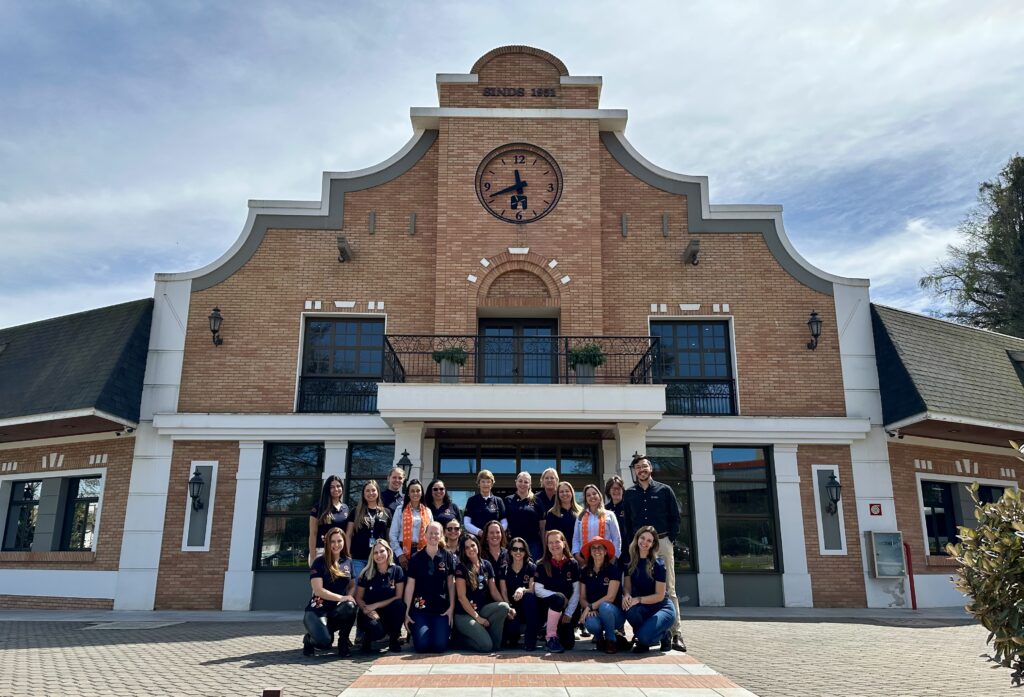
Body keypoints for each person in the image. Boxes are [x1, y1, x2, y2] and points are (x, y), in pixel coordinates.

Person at [623, 454, 686, 652]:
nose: (641, 470)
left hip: (662, 542)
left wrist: (669, 540)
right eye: (637, 468)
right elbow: (627, 523)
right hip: (638, 545)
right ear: (635, 472)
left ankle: (676, 633)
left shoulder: (665, 490)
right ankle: (652, 630)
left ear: (650, 468)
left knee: (669, 588)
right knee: (640, 586)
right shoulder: (630, 493)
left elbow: (675, 517)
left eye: (644, 466)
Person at [302, 527, 357, 657]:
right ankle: (309, 639)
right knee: (324, 642)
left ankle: (343, 642)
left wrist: (349, 596)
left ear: (344, 542)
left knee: (350, 606)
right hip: (317, 611)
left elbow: (353, 585)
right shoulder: (319, 562)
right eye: (332, 541)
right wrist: (341, 598)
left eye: (339, 541)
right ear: (327, 543)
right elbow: (318, 590)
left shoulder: (348, 561)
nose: (336, 545)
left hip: (334, 610)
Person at [622, 525, 677, 654]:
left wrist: (638, 599)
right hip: (643, 606)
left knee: (644, 637)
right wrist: (627, 595)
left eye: (649, 541)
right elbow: (627, 587)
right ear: (637, 538)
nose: (645, 542)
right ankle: (645, 636)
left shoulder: (658, 564)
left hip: (661, 607)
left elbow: (659, 595)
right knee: (628, 608)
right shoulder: (629, 561)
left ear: (653, 544)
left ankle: (664, 635)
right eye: (643, 538)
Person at [403, 522, 456, 653]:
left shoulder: (447, 556)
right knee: (422, 647)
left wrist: (451, 608)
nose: (433, 535)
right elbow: (410, 586)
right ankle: (419, 634)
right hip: (421, 610)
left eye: (436, 533)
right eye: (430, 533)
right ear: (425, 535)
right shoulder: (416, 558)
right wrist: (406, 612)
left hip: (441, 610)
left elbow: (451, 583)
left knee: (439, 647)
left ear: (441, 535)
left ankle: (437, 632)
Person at [453, 535, 512, 652]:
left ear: (477, 546)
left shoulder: (486, 565)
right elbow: (461, 597)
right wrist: (478, 618)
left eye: (473, 545)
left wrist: (509, 608)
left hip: (482, 609)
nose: (471, 549)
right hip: (464, 614)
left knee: (503, 607)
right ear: (463, 551)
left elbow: (494, 591)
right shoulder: (461, 568)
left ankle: (490, 639)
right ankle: (459, 639)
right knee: (486, 646)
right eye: (466, 548)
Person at [355, 540, 406, 653]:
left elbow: (398, 596)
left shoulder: (397, 570)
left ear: (388, 551)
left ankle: (394, 640)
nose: (379, 555)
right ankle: (367, 639)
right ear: (372, 556)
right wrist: (367, 609)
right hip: (370, 613)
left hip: (388, 613)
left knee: (399, 605)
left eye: (382, 551)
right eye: (375, 552)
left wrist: (376, 605)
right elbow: (358, 597)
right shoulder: (366, 573)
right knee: (376, 631)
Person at [534, 529, 580, 653]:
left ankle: (549, 629)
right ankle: (550, 638)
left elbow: (576, 591)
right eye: (550, 542)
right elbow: (538, 590)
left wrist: (569, 613)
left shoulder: (572, 564)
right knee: (558, 598)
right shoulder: (541, 564)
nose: (554, 545)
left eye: (557, 541)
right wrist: (558, 596)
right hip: (547, 607)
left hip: (566, 611)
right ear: (547, 545)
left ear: (564, 543)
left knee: (569, 644)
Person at [578, 536, 625, 654]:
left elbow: (610, 597)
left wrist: (590, 606)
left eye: (600, 548)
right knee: (591, 623)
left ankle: (611, 640)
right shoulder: (585, 571)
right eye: (593, 548)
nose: (596, 550)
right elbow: (582, 598)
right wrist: (588, 608)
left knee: (604, 606)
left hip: (614, 614)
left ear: (605, 551)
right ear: (590, 552)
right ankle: (599, 639)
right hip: (594, 611)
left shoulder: (613, 569)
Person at [346, 480, 391, 580]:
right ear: (363, 494)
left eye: (373, 490)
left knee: (375, 588)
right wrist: (348, 554)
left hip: (378, 558)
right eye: (367, 491)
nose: (371, 493)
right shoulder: (356, 511)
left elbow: (388, 537)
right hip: (358, 558)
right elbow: (348, 534)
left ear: (378, 492)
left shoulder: (386, 512)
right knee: (357, 586)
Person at [499, 536, 538, 650]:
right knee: (512, 636)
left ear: (525, 552)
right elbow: (503, 592)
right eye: (515, 549)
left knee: (529, 597)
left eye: (521, 549)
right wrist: (509, 608)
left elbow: (532, 589)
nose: (518, 552)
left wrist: (521, 589)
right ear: (510, 551)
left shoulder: (531, 567)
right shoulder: (504, 569)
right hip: (511, 608)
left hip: (527, 607)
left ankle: (530, 641)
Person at [572, 483, 622, 565]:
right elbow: (576, 539)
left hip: (606, 559)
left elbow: (616, 538)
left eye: (594, 493)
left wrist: (614, 558)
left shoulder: (609, 515)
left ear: (599, 495)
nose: (592, 496)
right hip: (585, 559)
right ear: (585, 499)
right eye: (588, 495)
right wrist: (578, 556)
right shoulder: (580, 516)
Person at [389, 479, 433, 570]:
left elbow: (431, 533)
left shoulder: (428, 511)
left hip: (422, 551)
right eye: (412, 491)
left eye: (418, 491)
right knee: (402, 581)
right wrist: (399, 554)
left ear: (422, 493)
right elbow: (392, 535)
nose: (415, 493)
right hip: (403, 550)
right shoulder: (400, 509)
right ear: (408, 494)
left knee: (419, 582)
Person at [308, 476, 349, 567]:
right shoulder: (318, 507)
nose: (336, 489)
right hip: (321, 551)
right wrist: (313, 556)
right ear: (327, 489)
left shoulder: (345, 508)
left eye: (338, 486)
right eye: (332, 487)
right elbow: (313, 533)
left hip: (339, 552)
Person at [505, 471, 543, 560]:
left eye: (526, 482)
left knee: (534, 569)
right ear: (516, 482)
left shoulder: (537, 501)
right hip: (513, 543)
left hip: (533, 543)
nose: (523, 484)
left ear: (530, 484)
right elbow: (504, 524)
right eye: (520, 481)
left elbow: (542, 527)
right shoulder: (508, 500)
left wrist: (544, 547)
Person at [464, 470, 507, 537]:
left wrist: (495, 533)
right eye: (483, 481)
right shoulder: (472, 500)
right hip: (477, 540)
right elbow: (466, 523)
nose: (485, 484)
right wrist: (480, 532)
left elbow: (504, 522)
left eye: (488, 482)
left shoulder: (499, 501)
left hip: (494, 539)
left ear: (492, 484)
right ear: (479, 483)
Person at [544, 481, 581, 548]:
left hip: (578, 551)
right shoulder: (552, 513)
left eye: (567, 491)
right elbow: (548, 536)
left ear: (572, 493)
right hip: (559, 552)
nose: (564, 493)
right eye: (561, 492)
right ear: (557, 495)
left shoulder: (581, 512)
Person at [604, 475, 630, 568]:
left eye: (618, 488)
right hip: (610, 553)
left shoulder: (629, 507)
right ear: (608, 491)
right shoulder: (604, 509)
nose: (616, 491)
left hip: (628, 551)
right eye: (613, 488)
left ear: (623, 490)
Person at [535, 467, 559, 534]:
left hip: (559, 534)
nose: (549, 480)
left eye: (552, 478)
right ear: (542, 480)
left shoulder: (561, 496)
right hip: (540, 534)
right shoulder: (536, 498)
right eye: (546, 478)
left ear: (557, 480)